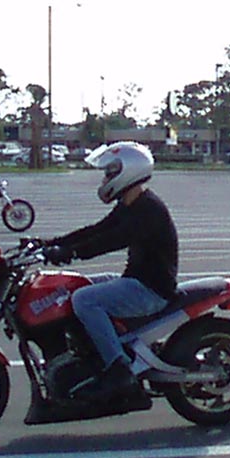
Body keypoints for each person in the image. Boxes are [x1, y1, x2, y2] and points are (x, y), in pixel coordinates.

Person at [45, 141, 178, 400]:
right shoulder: (130, 204)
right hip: (136, 281)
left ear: (128, 172)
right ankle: (89, 354)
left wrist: (71, 253)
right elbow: (98, 230)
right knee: (75, 287)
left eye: (109, 173)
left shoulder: (148, 209)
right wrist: (52, 243)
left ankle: (119, 369)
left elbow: (111, 240)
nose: (105, 179)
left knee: (84, 299)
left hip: (151, 290)